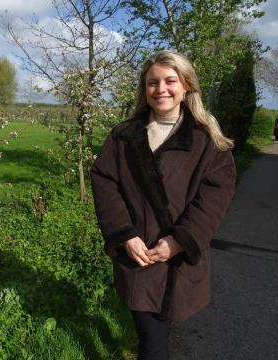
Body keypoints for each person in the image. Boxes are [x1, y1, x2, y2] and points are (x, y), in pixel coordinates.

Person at [90, 50, 236, 360]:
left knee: (162, 327)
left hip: (178, 261)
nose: (161, 89)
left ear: (186, 86)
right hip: (139, 258)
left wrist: (181, 240)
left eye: (170, 81)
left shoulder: (206, 141)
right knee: (151, 341)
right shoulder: (123, 136)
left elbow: (214, 197)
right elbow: (105, 181)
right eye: (152, 82)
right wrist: (124, 234)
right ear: (144, 89)